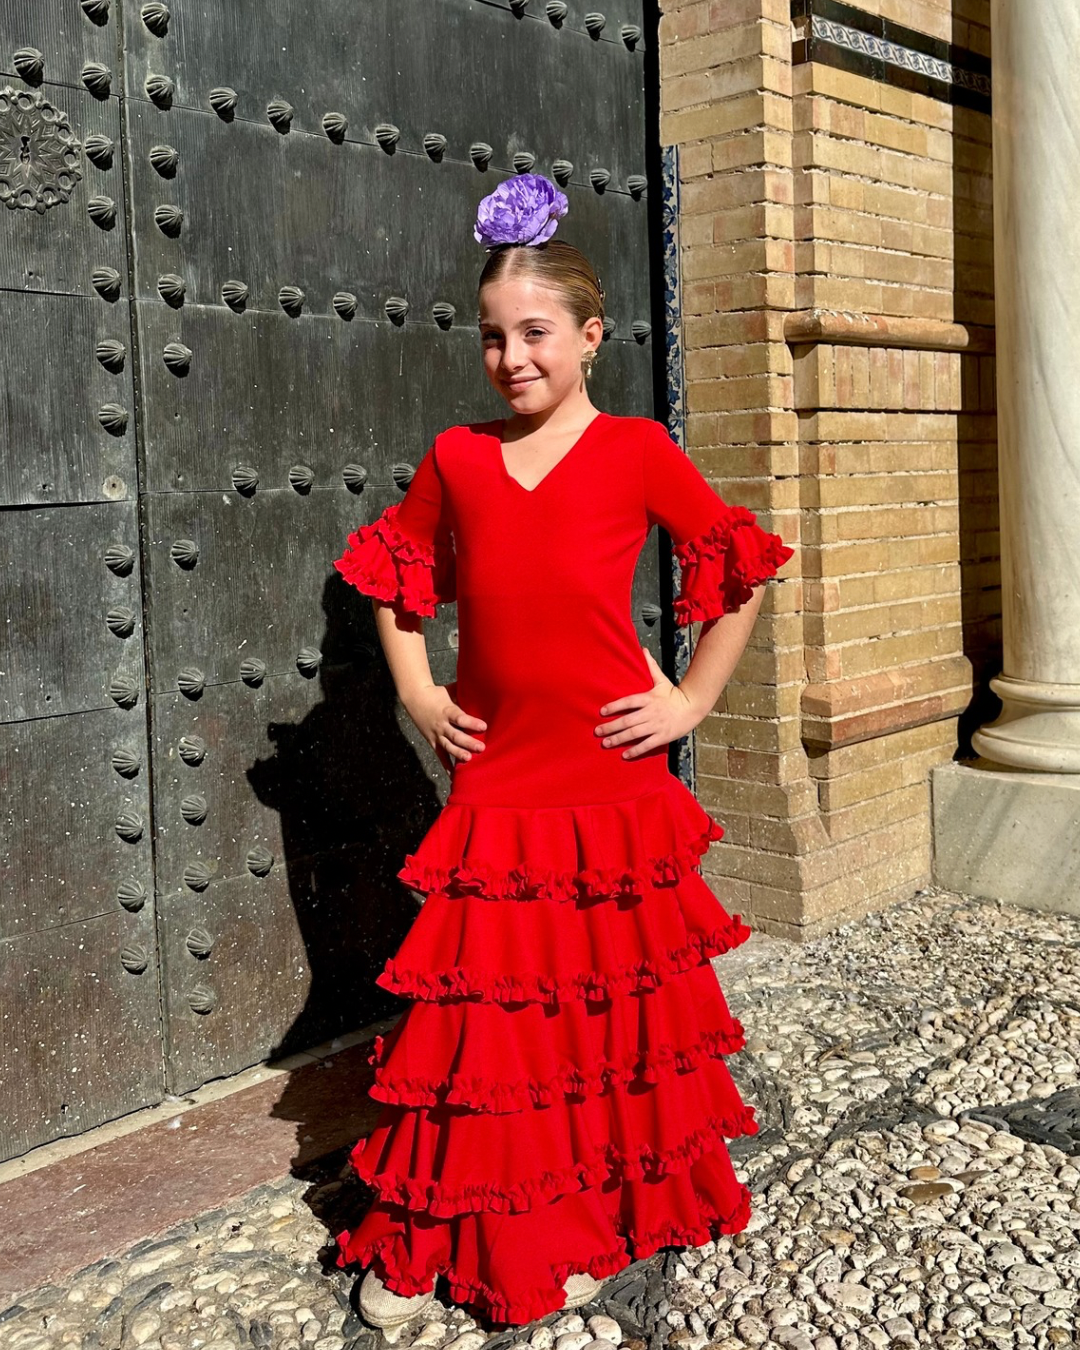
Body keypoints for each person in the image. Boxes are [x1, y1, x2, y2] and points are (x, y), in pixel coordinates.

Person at [331, 173, 795, 1331]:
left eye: (534, 332)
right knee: (487, 1014)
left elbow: (736, 567)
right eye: (492, 337)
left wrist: (690, 702)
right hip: (496, 778)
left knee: (594, 1018)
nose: (511, 357)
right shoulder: (456, 457)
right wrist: (418, 693)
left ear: (589, 337)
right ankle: (448, 1218)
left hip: (606, 771)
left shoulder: (638, 451)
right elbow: (397, 578)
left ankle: (582, 1219)